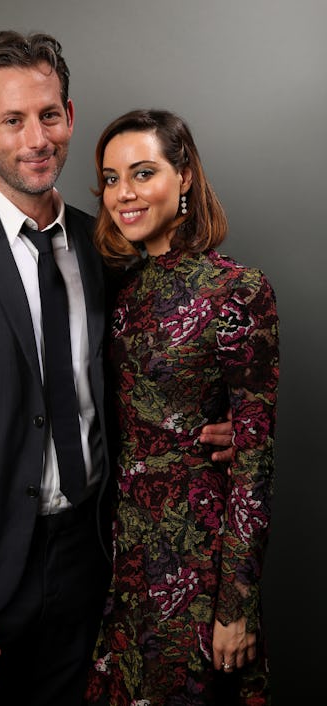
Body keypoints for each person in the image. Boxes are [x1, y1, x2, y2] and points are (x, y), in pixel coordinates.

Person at [0, 31, 232, 706]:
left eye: (47, 115)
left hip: (92, 563)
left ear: (69, 117)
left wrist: (214, 432)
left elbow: (146, 377)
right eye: (12, 120)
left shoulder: (108, 249)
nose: (36, 138)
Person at [85, 110, 279, 705]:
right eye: (112, 179)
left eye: (143, 173)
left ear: (186, 174)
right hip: (123, 558)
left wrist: (236, 606)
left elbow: (254, 460)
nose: (125, 194)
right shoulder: (119, 294)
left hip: (199, 561)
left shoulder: (237, 289)